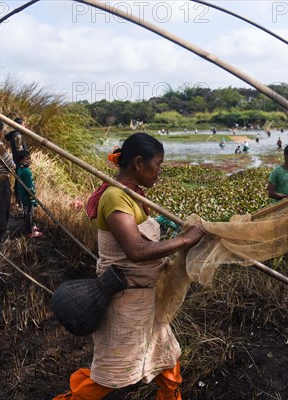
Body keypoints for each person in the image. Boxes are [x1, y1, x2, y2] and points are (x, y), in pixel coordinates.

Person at [53, 133, 205, 400]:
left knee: (168, 363)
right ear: (138, 163)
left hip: (146, 302)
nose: (159, 171)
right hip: (125, 303)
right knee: (108, 377)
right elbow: (135, 250)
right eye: (158, 164)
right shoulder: (115, 197)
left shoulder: (133, 197)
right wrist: (184, 240)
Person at [15, 150, 43, 238]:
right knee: (28, 213)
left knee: (27, 212)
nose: (29, 160)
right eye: (27, 159)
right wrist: (33, 199)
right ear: (21, 161)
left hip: (23, 196)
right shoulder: (26, 171)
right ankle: (30, 232)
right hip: (27, 197)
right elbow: (29, 187)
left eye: (29, 158)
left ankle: (30, 227)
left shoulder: (20, 169)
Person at [5, 117, 29, 205]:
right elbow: (20, 150)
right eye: (23, 124)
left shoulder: (15, 134)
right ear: (19, 125)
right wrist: (25, 159)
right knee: (20, 182)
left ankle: (18, 201)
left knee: (18, 181)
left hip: (17, 161)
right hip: (20, 162)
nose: (25, 126)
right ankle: (19, 202)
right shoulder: (17, 135)